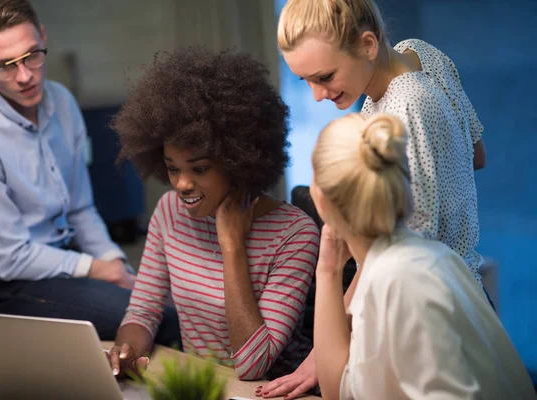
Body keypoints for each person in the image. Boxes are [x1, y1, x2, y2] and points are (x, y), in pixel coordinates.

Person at [259, 0, 488, 396]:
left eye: (325, 76)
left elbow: (395, 250)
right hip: (467, 295)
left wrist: (324, 352)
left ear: (367, 44)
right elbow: (476, 154)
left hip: (434, 319)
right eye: (305, 81)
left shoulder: (400, 112)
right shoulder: (420, 52)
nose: (316, 95)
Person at [0, 0, 180, 343]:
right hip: (1, 284)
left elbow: (80, 209)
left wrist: (116, 265)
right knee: (160, 319)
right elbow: (7, 259)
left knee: (166, 303)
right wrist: (98, 270)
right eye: (4, 66)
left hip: (65, 259)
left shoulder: (62, 102)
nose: (24, 76)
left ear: (43, 37)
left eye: (32, 55)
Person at [106, 46, 319, 381]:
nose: (182, 184)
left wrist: (232, 246)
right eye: (172, 168)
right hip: (206, 385)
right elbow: (143, 311)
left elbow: (252, 365)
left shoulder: (295, 234)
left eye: (200, 168)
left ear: (238, 159)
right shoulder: (168, 212)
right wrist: (127, 352)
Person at [305, 113, 535, 399]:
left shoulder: (403, 279)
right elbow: (340, 389)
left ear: (323, 203)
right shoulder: (402, 262)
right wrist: (327, 271)